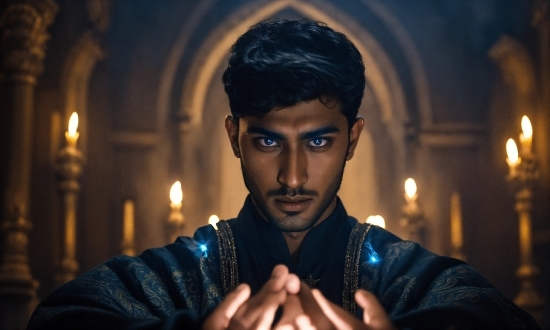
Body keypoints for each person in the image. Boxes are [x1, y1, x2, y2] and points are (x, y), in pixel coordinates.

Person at [28, 19, 538, 330]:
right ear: (235, 137)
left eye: (318, 141)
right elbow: (58, 320)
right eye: (269, 140)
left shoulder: (401, 274)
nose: (292, 177)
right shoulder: (184, 273)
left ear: (352, 139)